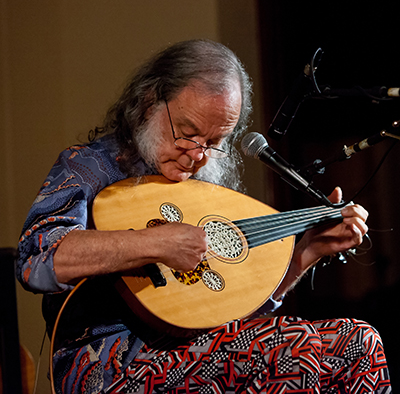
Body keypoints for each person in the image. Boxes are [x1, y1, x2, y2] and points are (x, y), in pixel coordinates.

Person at [17, 39, 391, 393]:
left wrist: (305, 254)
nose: (198, 155)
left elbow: (229, 315)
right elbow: (36, 261)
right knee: (321, 346)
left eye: (214, 143)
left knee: (357, 343)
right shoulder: (90, 167)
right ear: (149, 102)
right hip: (112, 368)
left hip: (199, 354)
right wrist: (153, 243)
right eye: (188, 133)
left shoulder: (201, 191)